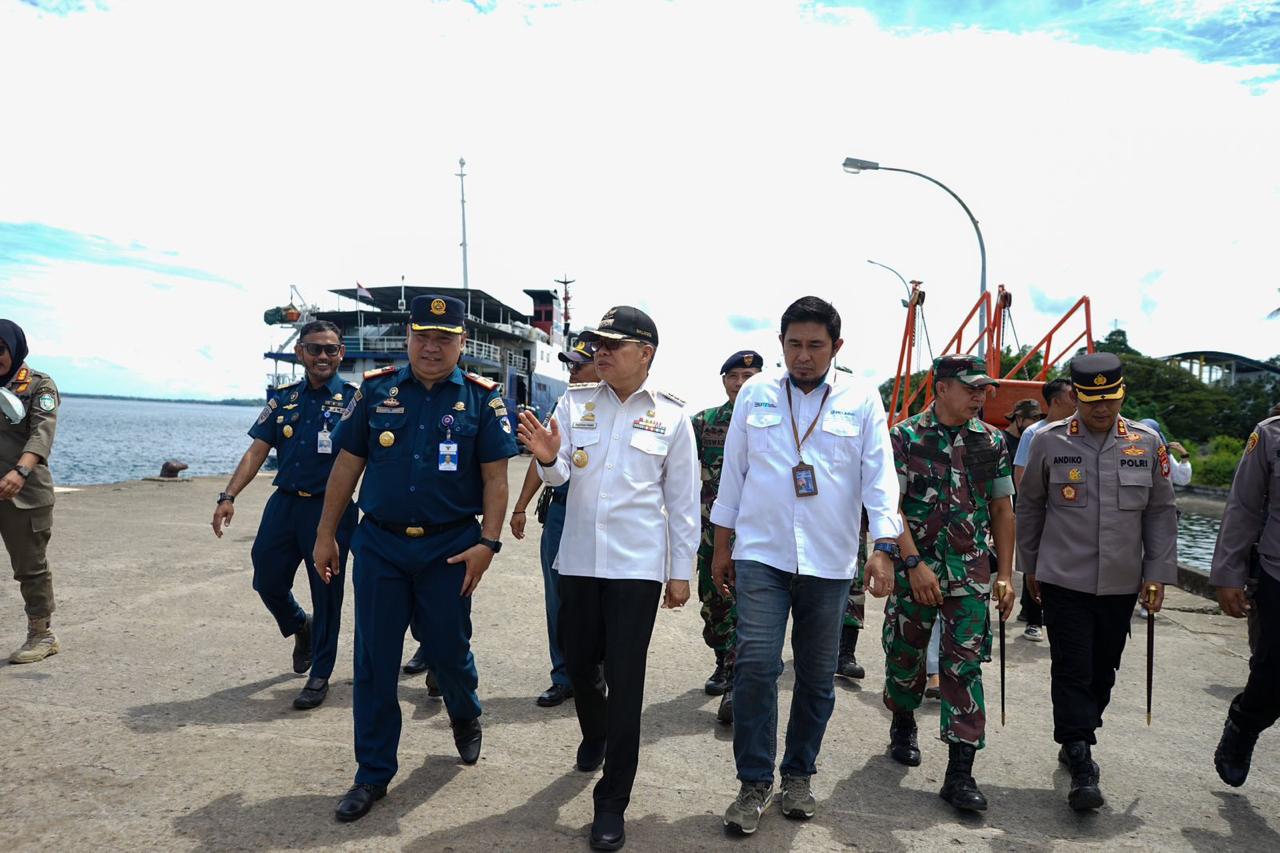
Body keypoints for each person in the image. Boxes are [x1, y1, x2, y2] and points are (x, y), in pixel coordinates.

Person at [314, 295, 517, 822]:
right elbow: (346, 465)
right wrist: (326, 534)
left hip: (450, 549)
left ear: (461, 344)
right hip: (379, 544)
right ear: (409, 338)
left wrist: (488, 545)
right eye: (423, 336)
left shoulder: (482, 401)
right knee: (375, 661)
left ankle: (465, 713)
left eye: (444, 338)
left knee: (448, 651)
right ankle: (372, 773)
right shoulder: (376, 391)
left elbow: (497, 479)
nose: (432, 347)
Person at [710, 296, 901, 836]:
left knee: (818, 678)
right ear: (781, 344)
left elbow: (879, 479)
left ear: (836, 347)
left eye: (815, 345)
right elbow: (734, 474)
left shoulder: (861, 398)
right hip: (761, 553)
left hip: (829, 560)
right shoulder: (756, 394)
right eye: (793, 344)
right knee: (754, 668)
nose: (803, 356)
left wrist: (883, 548)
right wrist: (722, 545)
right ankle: (753, 781)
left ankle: (797, 774)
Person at [517, 304, 698, 851]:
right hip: (577, 561)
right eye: (597, 342)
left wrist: (680, 572)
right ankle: (593, 734)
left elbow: (682, 502)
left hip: (636, 570)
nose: (601, 350)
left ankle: (612, 799)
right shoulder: (574, 403)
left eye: (613, 345)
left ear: (645, 354)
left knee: (626, 680)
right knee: (577, 664)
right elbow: (560, 470)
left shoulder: (672, 417)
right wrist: (549, 459)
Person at [1016, 352, 1178, 811]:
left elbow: (1161, 512)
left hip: (1123, 581)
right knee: (1072, 666)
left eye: (1109, 399)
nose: (1100, 409)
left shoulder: (1147, 444)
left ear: (1122, 394)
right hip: (1063, 577)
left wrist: (1158, 573)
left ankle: (1080, 733)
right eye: (1091, 401)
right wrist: (1029, 566)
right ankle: (1082, 758)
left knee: (1104, 668)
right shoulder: (1049, 441)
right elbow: (1030, 507)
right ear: (1076, 397)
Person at [882, 354, 1016, 813]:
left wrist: (1003, 576)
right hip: (914, 568)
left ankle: (960, 773)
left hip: (970, 572)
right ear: (941, 388)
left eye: (984, 389)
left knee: (964, 667)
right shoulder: (903, 437)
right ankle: (903, 719)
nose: (980, 396)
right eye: (971, 388)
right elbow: (890, 508)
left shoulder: (993, 441)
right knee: (906, 656)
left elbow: (1002, 509)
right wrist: (914, 563)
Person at [211, 321, 357, 710]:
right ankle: (298, 626)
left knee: (327, 593)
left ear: (341, 352)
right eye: (314, 349)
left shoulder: (356, 401)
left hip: (332, 509)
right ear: (300, 353)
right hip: (286, 503)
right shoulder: (283, 399)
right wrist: (229, 495)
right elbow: (257, 451)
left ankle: (320, 674)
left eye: (330, 349)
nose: (322, 356)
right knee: (266, 577)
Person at [509, 338, 600, 708]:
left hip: (601, 515)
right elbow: (541, 458)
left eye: (579, 365)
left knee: (600, 598)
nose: (572, 371)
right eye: (570, 365)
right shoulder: (567, 404)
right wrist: (520, 507)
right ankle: (564, 676)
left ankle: (597, 672)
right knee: (558, 598)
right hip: (562, 511)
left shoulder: (622, 407)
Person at [692, 349, 763, 724]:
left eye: (749, 377)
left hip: (757, 539)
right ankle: (722, 661)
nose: (740, 384)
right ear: (724, 381)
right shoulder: (704, 424)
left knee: (748, 612)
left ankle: (737, 680)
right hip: (710, 536)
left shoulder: (774, 423)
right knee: (714, 606)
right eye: (734, 376)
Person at [1209, 414, 1280, 787]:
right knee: (1272, 676)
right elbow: (1244, 507)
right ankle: (1245, 722)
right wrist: (1228, 574)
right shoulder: (1271, 434)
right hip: (1276, 572)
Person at [0, 320, 61, 663]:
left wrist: (20, 470)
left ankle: (42, 634)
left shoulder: (39, 385)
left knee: (30, 567)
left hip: (23, 493)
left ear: (14, 348)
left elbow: (42, 431)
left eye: (0, 349)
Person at [1012, 377, 1075, 643]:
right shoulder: (1035, 433)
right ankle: (1033, 619)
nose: (1077, 399)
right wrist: (1030, 508)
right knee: (1034, 563)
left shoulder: (1076, 431)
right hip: (1043, 510)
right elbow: (1021, 473)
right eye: (1072, 395)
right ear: (1057, 400)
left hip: (1068, 514)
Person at [1002, 398, 1044, 463]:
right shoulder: (1001, 441)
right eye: (1034, 419)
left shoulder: (1032, 440)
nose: (1037, 424)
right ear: (1019, 419)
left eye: (1039, 420)